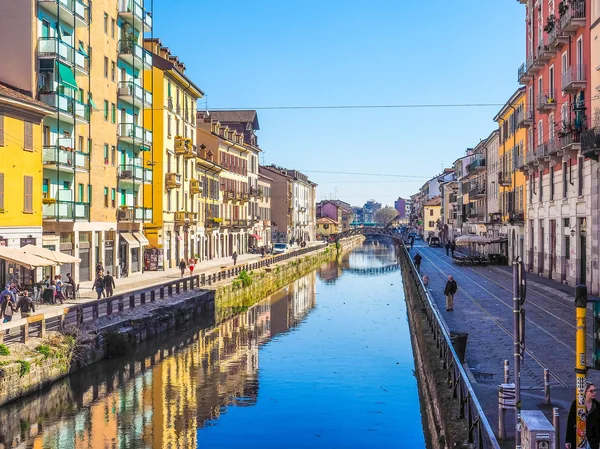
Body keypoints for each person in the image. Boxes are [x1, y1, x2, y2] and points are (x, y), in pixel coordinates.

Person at [566, 382, 600, 449]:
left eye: (594, 390)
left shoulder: (597, 405)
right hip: (578, 439)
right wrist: (568, 440)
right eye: (591, 391)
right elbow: (570, 422)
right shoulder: (576, 404)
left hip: (593, 440)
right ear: (585, 392)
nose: (594, 393)